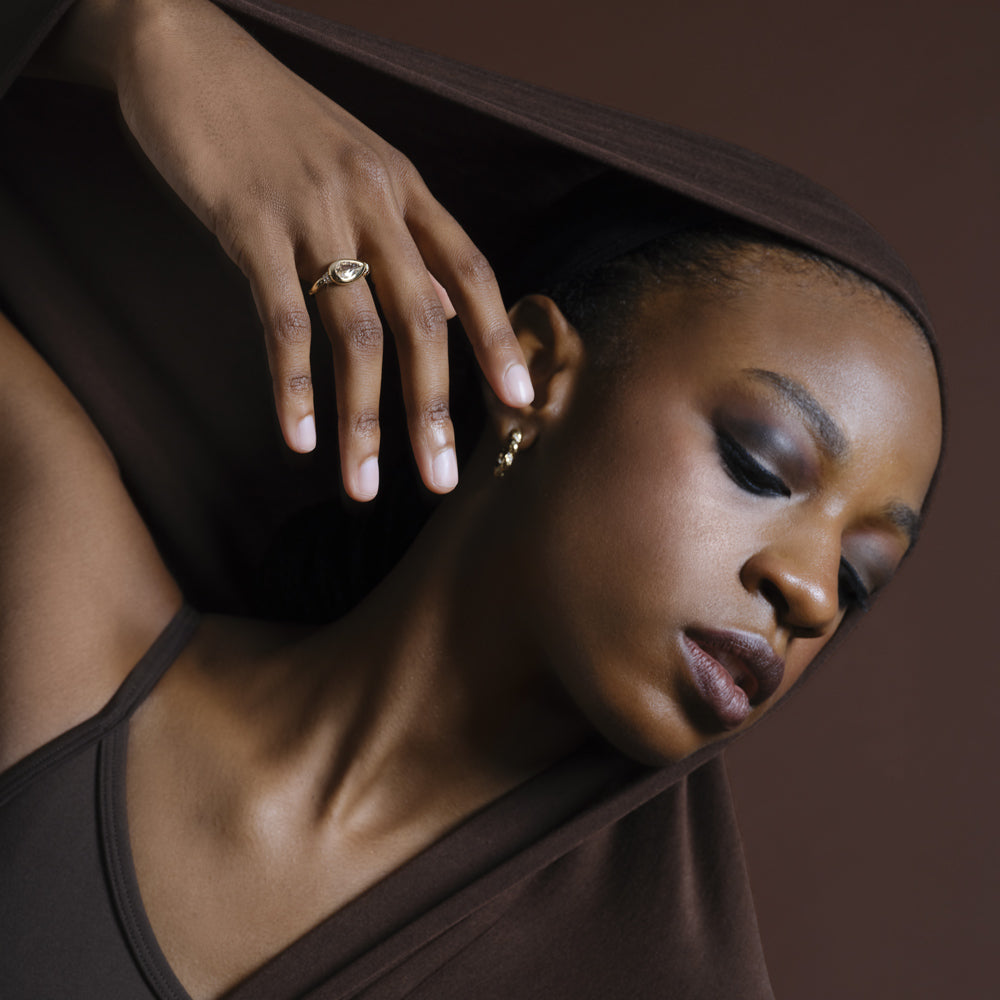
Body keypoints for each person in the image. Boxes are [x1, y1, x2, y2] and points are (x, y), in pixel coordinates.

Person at [0, 1, 943, 998]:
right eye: (761, 462)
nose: (810, 595)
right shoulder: (67, 651)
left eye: (858, 576)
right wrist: (150, 33)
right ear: (532, 372)